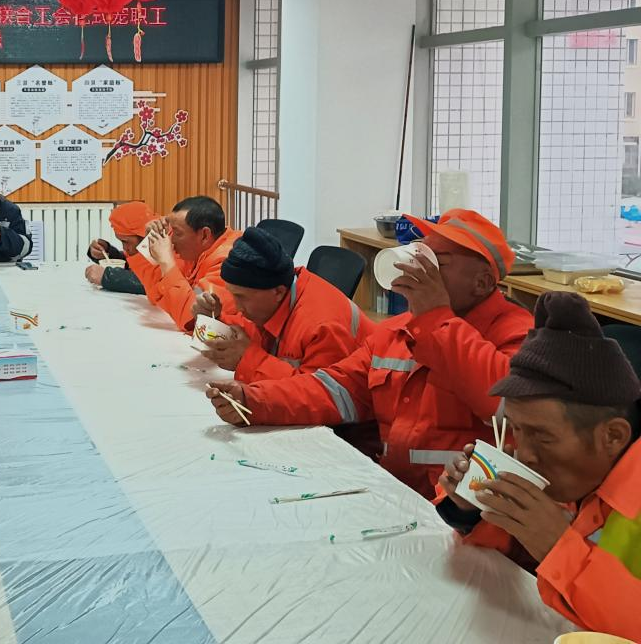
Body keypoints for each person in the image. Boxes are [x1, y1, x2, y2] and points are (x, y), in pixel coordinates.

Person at [207, 209, 531, 499]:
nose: (420, 268)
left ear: (481, 283)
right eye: (422, 253)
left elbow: (504, 406)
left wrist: (436, 318)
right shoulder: (397, 331)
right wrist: (252, 400)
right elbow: (332, 390)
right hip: (390, 493)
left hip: (460, 512)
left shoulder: (520, 335)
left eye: (438, 263)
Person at [437, 292, 641, 641]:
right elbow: (524, 562)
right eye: (516, 428)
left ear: (612, 436)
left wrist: (558, 547)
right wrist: (475, 511)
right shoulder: (575, 473)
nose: (525, 453)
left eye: (541, 436)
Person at [196, 226, 370, 382]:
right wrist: (215, 320)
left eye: (241, 297)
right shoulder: (277, 296)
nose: (238, 308)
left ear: (278, 292)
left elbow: (315, 394)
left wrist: (246, 360)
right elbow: (251, 330)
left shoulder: (322, 325)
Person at [139, 195, 240, 332]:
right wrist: (150, 244)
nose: (171, 239)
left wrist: (166, 262)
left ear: (205, 235)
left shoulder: (229, 261)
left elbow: (192, 320)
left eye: (177, 233)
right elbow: (156, 296)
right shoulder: (197, 249)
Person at [83, 201, 157, 295]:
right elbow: (132, 264)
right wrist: (106, 253)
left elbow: (156, 283)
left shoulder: (167, 248)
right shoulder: (149, 243)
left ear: (144, 235)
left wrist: (107, 276)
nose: (124, 248)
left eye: (125, 241)